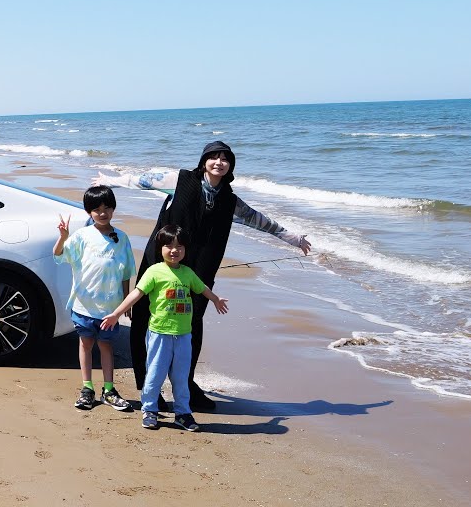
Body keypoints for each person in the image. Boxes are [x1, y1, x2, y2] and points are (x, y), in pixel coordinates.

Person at [94, 140, 310, 411]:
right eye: (214, 157)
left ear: (230, 166)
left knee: (191, 327)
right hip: (160, 263)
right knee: (146, 322)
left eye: (225, 159)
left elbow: (258, 220)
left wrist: (293, 238)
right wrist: (111, 181)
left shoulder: (229, 200)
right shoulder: (181, 179)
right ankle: (151, 385)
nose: (219, 163)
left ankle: (187, 385)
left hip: (198, 272)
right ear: (204, 160)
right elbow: (145, 180)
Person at [102, 224, 228, 431]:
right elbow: (137, 293)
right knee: (155, 374)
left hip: (183, 335)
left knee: (181, 376)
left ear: (185, 250)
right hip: (160, 333)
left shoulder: (187, 273)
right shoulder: (154, 271)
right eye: (169, 246)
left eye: (179, 246)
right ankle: (149, 409)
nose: (174, 250)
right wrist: (116, 313)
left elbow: (202, 287)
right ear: (160, 248)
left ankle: (183, 413)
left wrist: (215, 299)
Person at [53, 185, 136, 411]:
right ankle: (87, 388)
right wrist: (63, 238)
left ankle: (109, 390)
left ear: (113, 209)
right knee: (86, 343)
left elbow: (126, 271)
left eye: (107, 208)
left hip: (110, 308)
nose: (103, 213)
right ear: (88, 211)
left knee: (106, 346)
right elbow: (59, 255)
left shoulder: (121, 237)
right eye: (97, 209)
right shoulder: (82, 236)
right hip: (84, 305)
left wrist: (126, 301)